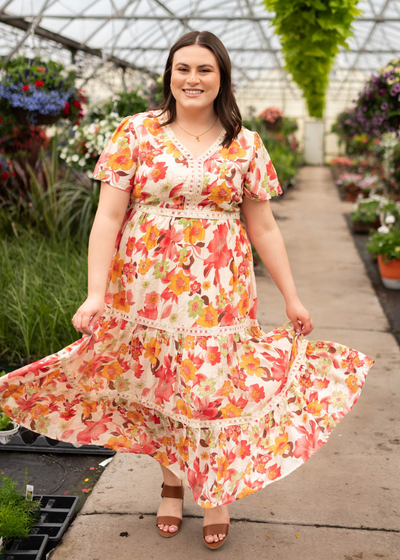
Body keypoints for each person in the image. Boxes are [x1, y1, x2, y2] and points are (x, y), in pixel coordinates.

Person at [0, 30, 375, 551]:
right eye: (183, 69)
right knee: (162, 386)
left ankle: (214, 491)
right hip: (145, 290)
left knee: (213, 390)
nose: (192, 79)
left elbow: (263, 226)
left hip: (220, 290)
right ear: (169, 75)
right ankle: (172, 482)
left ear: (221, 78)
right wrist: (94, 294)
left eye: (204, 70)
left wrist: (292, 296)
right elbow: (108, 218)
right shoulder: (135, 132)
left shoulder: (244, 141)